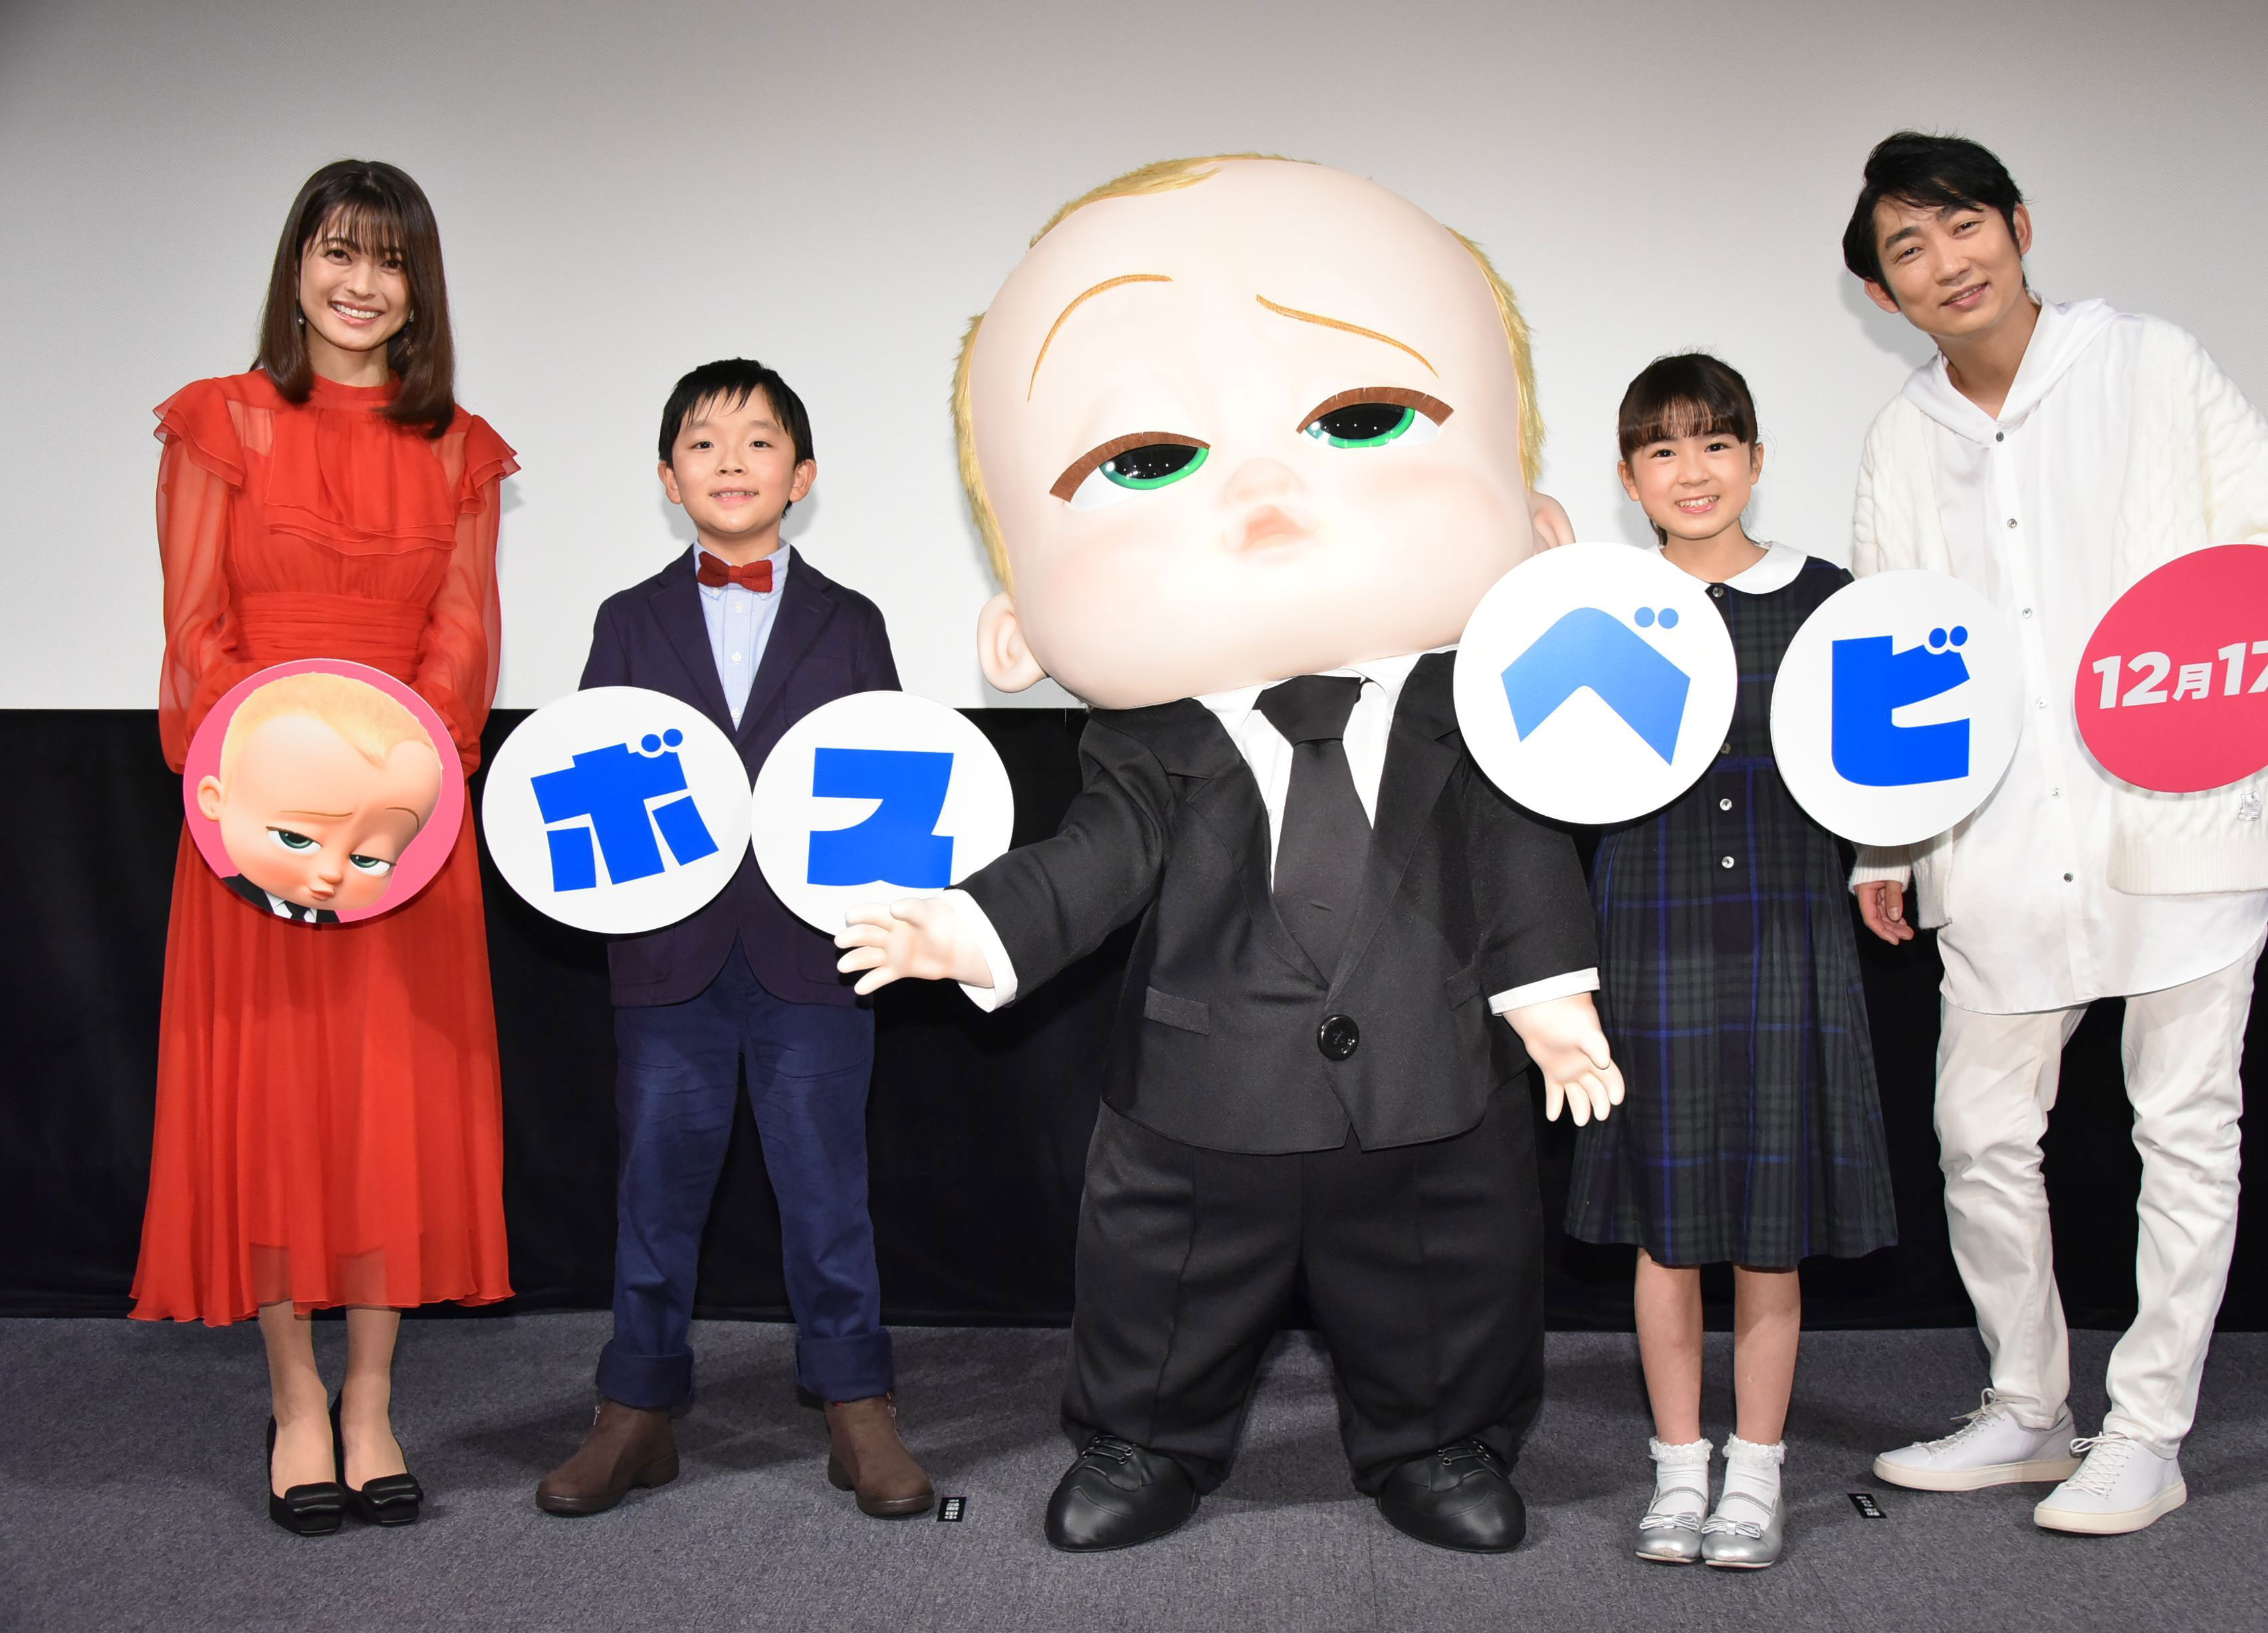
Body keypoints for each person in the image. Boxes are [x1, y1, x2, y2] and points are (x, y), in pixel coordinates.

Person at [835, 155, 1622, 1555]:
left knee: (1444, 1271)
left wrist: (1551, 1002)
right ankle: (1144, 1440)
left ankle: (1441, 1437)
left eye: (1362, 418)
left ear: (1542, 526)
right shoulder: (1150, 745)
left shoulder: (1480, 715)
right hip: (1201, 1096)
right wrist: (972, 927)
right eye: (1147, 460)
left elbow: (1517, 858)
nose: (1264, 491)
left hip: (1431, 1076)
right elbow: (1097, 857)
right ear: (1013, 625)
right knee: (1167, 1279)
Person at [1839, 132, 2268, 1534]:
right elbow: (1890, 647)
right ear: (1882, 294)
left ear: (2017, 223)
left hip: (2175, 813)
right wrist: (1886, 842)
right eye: (1906, 248)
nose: (1945, 262)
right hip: (1996, 835)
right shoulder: (1902, 438)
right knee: (1977, 1133)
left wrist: (2211, 706)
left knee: (2182, 1127)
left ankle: (2147, 1431)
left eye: (1961, 224)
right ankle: (2026, 1407)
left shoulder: (2149, 364)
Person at [135, 159, 516, 1535]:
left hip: (401, 835)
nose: (361, 283)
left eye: (390, 260)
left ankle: (371, 1398)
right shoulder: (219, 421)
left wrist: (389, 808)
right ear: (297, 268)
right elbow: (194, 632)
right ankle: (295, 1398)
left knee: (387, 1108)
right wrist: (282, 802)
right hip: (260, 827)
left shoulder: (462, 448)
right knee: (275, 1106)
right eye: (338, 252)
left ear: (420, 289)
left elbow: (462, 641)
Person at [534, 359, 932, 1521]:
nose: (731, 462)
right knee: (655, 1191)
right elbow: (590, 778)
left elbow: (892, 780)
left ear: (801, 477)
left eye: (759, 442)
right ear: (669, 479)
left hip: (815, 956)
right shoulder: (628, 618)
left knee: (827, 1190)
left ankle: (857, 1404)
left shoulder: (852, 620)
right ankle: (635, 1409)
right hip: (669, 956)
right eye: (703, 444)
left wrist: (893, 914)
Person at [1569, 354, 1897, 1569]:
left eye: (1715, 443)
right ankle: (1676, 1469)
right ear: (1629, 477)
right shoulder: (1601, 606)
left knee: (1771, 1223)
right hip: (1646, 931)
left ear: (1756, 460)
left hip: (1785, 926)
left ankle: (1755, 1474)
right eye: (1662, 449)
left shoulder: (1828, 601)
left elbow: (1881, 758)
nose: (1692, 471)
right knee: (1665, 1227)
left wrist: (1884, 860)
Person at [196, 672, 446, 922]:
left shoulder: (339, 925)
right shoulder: (213, 910)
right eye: (296, 839)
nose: (332, 873)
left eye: (368, 859)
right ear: (216, 801)